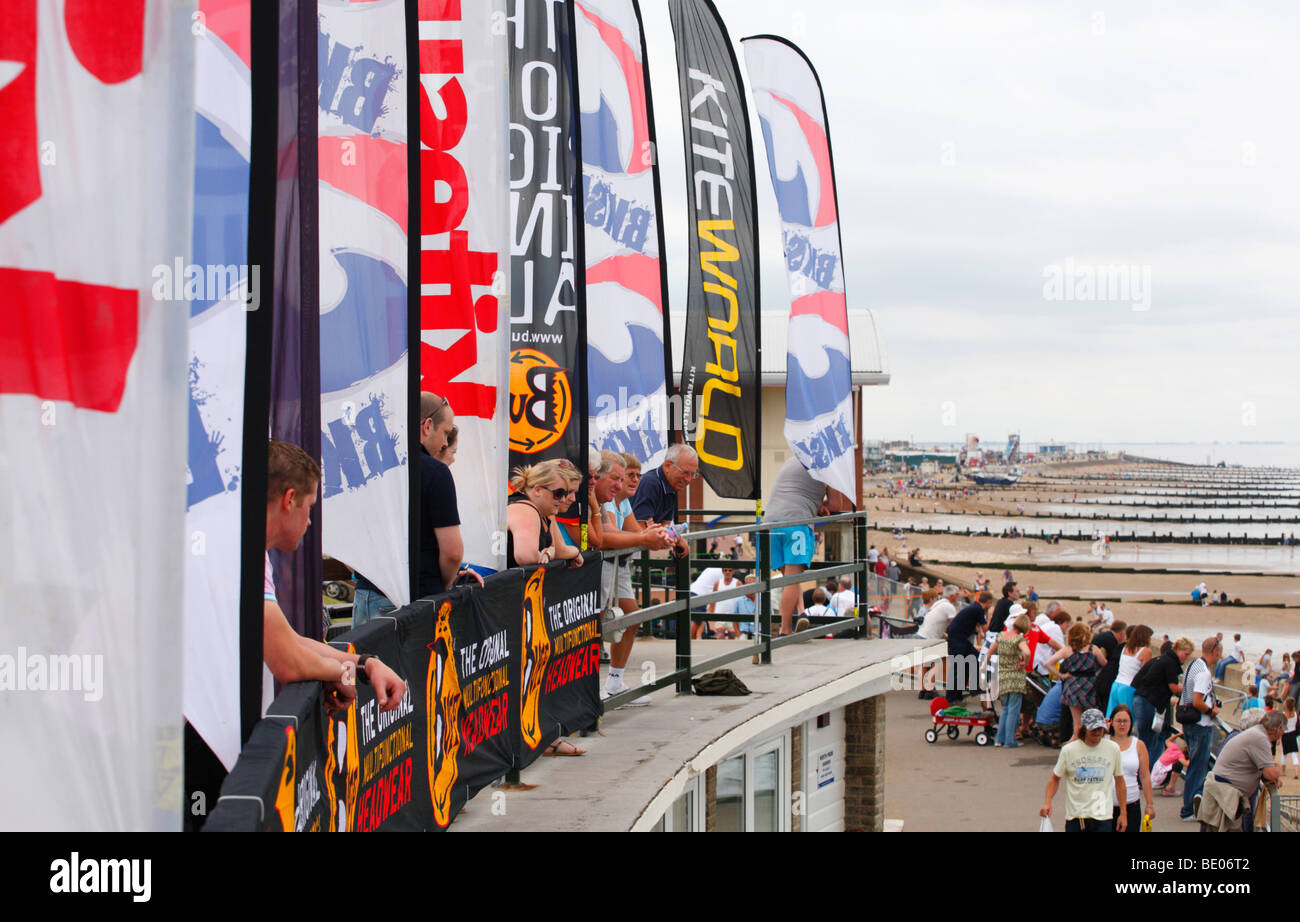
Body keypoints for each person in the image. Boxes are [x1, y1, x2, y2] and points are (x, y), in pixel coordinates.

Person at [262, 441, 406, 713]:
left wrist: (365, 665)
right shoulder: (240, 552)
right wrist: (344, 673)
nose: (309, 522)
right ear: (290, 499)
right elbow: (290, 661)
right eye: (310, 506)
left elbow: (292, 642)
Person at [352, 392, 481, 624]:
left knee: (363, 661)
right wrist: (442, 582)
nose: (444, 443)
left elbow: (351, 539)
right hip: (414, 597)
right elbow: (452, 552)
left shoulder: (366, 467)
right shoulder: (436, 473)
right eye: (446, 433)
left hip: (367, 593)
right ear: (428, 426)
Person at [599, 452, 672, 703]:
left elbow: (635, 534)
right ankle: (588, 689)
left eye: (637, 476)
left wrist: (654, 535)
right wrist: (646, 536)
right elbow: (610, 538)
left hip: (619, 566)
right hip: (602, 566)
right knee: (593, 627)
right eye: (627, 476)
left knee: (631, 618)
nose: (633, 481)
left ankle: (614, 683)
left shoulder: (623, 502)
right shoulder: (606, 502)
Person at [760, 457, 853, 636]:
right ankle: (785, 630)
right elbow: (836, 505)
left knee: (789, 577)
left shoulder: (791, 460)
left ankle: (802, 612)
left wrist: (816, 504)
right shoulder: (826, 464)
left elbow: (796, 491)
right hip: (796, 522)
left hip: (770, 522)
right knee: (792, 580)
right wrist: (821, 505)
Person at [1197, 710, 1285, 831]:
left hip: (1224, 793)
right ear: (1278, 728)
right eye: (1283, 730)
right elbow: (1270, 774)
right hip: (1225, 796)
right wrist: (1279, 768)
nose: (1283, 733)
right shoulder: (1260, 738)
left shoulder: (1257, 733)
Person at [1040, 708, 1127, 831]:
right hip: (1077, 817)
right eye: (1093, 729)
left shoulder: (1113, 749)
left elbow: (1120, 781)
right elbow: (1054, 779)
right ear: (1084, 729)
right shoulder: (1069, 750)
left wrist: (1123, 813)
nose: (1097, 733)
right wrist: (1047, 802)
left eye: (1100, 729)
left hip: (1103, 816)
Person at [505, 460, 584, 569]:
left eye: (565, 493)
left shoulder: (544, 512)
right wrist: (575, 551)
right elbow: (526, 557)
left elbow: (553, 548)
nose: (563, 499)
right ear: (537, 490)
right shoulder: (526, 510)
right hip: (488, 581)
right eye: (559, 494)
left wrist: (547, 554)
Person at [1178, 636, 1222, 822]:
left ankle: (1191, 805)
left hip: (1188, 722)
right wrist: (1211, 711)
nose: (1221, 655)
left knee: (1195, 765)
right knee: (1198, 766)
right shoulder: (1204, 672)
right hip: (1199, 725)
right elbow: (1197, 701)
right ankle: (1189, 809)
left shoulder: (1193, 664)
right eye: (1220, 651)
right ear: (1214, 651)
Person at [1045, 622, 1108, 741]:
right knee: (1090, 720)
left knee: (1077, 723)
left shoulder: (1068, 650)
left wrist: (1061, 675)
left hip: (1072, 685)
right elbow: (1104, 663)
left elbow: (1048, 663)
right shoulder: (1093, 649)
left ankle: (1072, 747)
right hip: (1089, 685)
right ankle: (1090, 743)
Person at [1131, 636, 1192, 757]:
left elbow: (1137, 681)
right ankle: (1147, 773)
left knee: (1145, 740)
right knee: (1149, 743)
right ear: (1178, 649)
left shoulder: (1158, 659)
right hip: (1148, 704)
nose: (1187, 658)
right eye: (1186, 654)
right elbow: (1174, 687)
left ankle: (1143, 772)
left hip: (1139, 700)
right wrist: (1190, 690)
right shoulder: (1170, 662)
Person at [1108, 704, 1154, 833]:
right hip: (1106, 805)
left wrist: (1149, 805)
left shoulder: (1138, 745)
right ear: (1111, 722)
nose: (1122, 725)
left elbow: (1145, 776)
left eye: (1125, 721)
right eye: (1118, 721)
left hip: (1131, 803)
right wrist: (1103, 731)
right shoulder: (1103, 742)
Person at [945, 590, 994, 702]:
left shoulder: (975, 608)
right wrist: (989, 615)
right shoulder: (978, 609)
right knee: (958, 667)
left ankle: (969, 687)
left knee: (975, 657)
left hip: (959, 638)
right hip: (957, 639)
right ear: (987, 602)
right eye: (989, 604)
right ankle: (952, 698)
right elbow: (986, 627)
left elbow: (976, 625)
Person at [995, 614, 1032, 748]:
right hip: (1015, 676)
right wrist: (1024, 663)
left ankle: (999, 738)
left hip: (1003, 674)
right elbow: (1027, 653)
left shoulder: (1001, 636)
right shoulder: (1018, 639)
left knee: (1005, 708)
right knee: (1014, 709)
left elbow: (991, 651)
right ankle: (1010, 740)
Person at [1106, 624, 1153, 716]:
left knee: (1112, 717)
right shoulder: (1146, 651)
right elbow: (1144, 673)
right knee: (1128, 718)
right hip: (1129, 686)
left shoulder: (1125, 648)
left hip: (1116, 684)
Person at [1091, 620, 1127, 718]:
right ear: (1122, 633)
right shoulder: (1111, 641)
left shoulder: (1104, 636)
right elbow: (1112, 663)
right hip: (1096, 675)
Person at [1282, 698, 1299, 780]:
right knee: (1294, 755)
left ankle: (1283, 771)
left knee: (1284, 754)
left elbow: (1282, 727)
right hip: (1293, 734)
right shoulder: (1295, 714)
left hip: (1285, 735)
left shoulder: (1284, 715)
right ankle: (1296, 772)